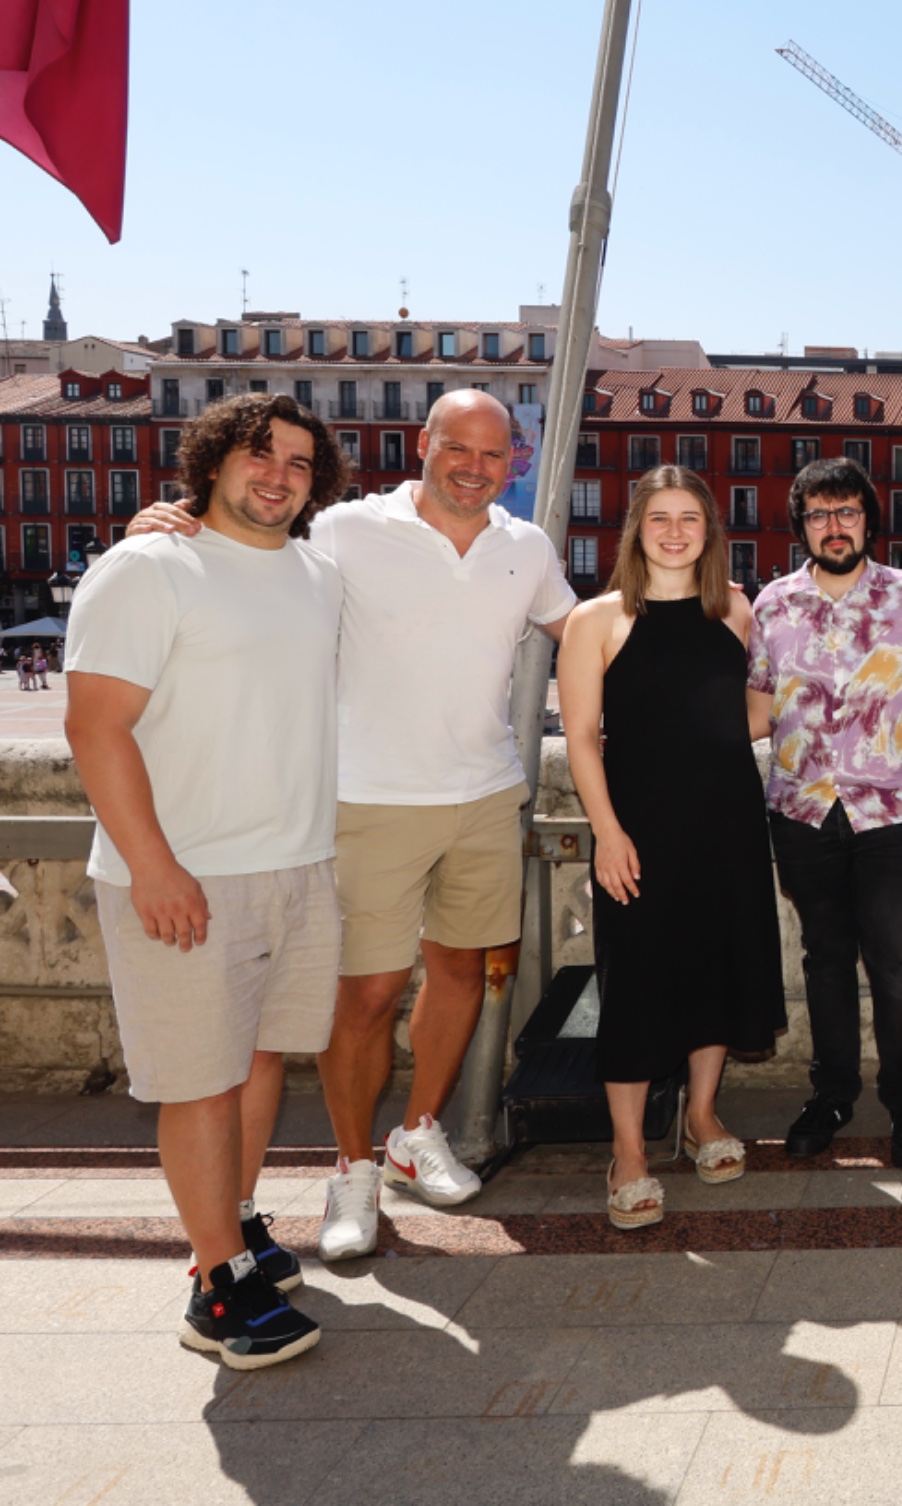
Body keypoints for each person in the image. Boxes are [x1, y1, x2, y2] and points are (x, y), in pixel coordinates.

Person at [125, 390, 580, 1261]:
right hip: (368, 800)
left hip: (488, 792)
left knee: (464, 971)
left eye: (494, 454)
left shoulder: (525, 546)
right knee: (366, 995)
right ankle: (354, 1166)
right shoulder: (345, 529)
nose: (475, 468)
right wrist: (170, 524)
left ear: (512, 463)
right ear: (423, 444)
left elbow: (584, 628)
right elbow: (248, 550)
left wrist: (698, 604)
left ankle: (416, 1133)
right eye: (458, 448)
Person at [66, 393, 347, 1368]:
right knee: (198, 1082)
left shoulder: (318, 573)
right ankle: (216, 1287)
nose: (278, 474)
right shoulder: (148, 566)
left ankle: (232, 1225)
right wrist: (152, 865)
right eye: (259, 454)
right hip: (186, 872)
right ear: (213, 460)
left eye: (299, 462)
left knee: (259, 1062)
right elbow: (94, 725)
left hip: (296, 862)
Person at [559, 467, 786, 1228]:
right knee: (635, 981)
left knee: (716, 967)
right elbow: (581, 740)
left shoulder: (737, 611)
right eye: (660, 517)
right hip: (638, 827)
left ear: (709, 530)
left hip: (726, 820)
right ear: (637, 529)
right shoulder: (596, 619)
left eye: (690, 517)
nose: (675, 531)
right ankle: (627, 1151)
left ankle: (702, 1116)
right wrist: (608, 831)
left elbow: (754, 717)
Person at [749, 458, 902, 1171]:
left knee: (898, 961)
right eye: (819, 515)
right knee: (825, 960)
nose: (834, 527)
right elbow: (755, 711)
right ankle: (831, 1095)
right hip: (801, 811)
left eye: (847, 512)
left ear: (868, 520)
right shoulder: (771, 605)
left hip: (893, 810)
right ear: (802, 526)